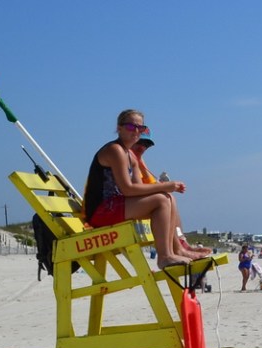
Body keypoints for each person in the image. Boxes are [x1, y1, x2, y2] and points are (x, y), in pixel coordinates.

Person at [83, 109, 195, 269]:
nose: (136, 131)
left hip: (116, 206)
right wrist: (167, 186)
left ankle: (174, 250)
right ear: (119, 128)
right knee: (161, 200)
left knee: (166, 198)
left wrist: (165, 190)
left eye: (140, 128)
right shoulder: (115, 150)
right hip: (101, 211)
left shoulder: (130, 156)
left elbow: (140, 188)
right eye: (130, 126)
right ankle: (164, 257)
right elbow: (128, 189)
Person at [129, 136, 211, 261]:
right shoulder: (124, 157)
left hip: (127, 206)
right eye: (139, 143)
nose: (142, 147)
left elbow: (152, 185)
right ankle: (171, 252)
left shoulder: (136, 160)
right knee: (163, 200)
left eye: (146, 145)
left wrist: (168, 186)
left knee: (169, 198)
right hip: (114, 210)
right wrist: (166, 186)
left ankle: (182, 244)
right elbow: (133, 189)